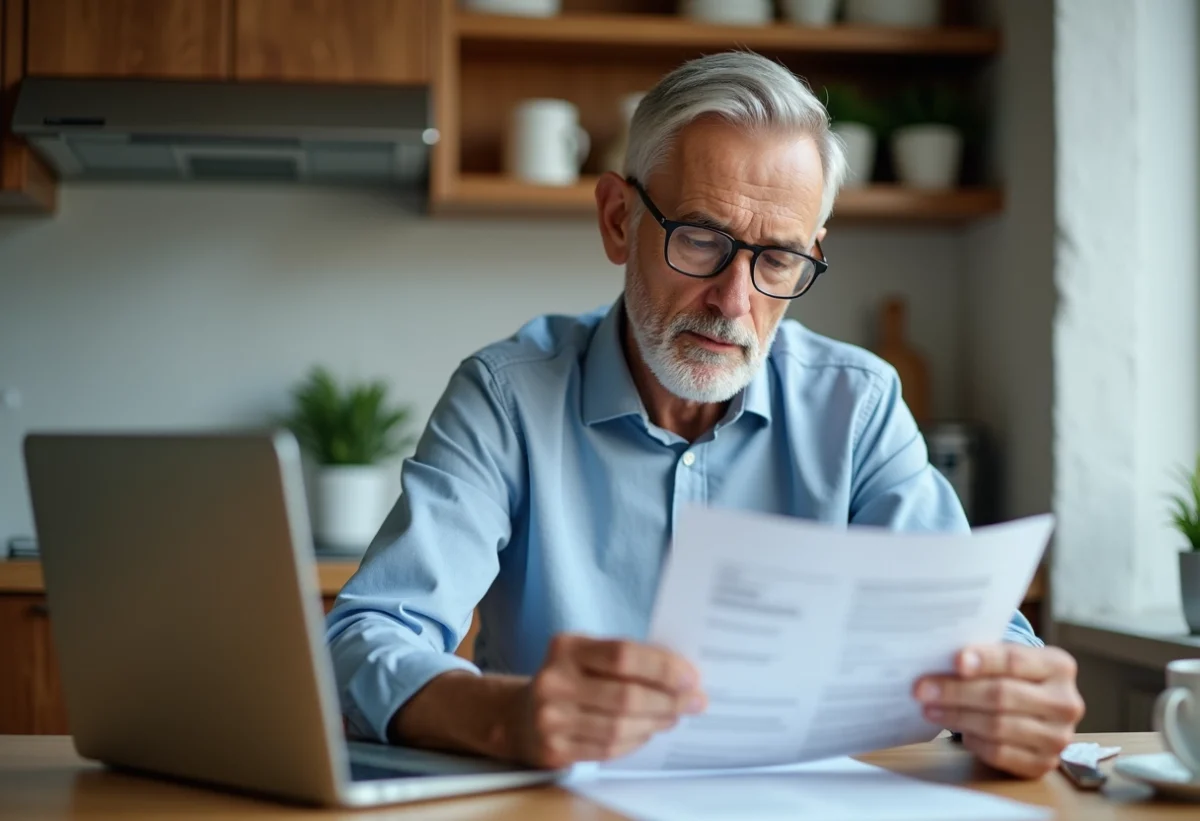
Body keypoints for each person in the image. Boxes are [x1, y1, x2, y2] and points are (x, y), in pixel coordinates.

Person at [326, 51, 1084, 779]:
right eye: (701, 239)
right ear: (619, 220)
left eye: (778, 259)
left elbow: (973, 636)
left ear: (810, 255)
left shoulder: (857, 405)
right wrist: (509, 714)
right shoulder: (508, 395)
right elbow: (363, 639)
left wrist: (1013, 696)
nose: (733, 300)